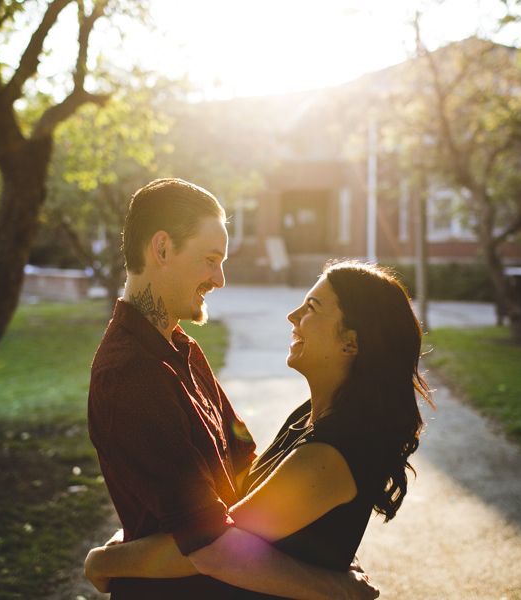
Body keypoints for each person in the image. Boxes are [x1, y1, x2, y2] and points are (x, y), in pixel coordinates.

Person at [86, 178, 380, 600]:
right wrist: (332, 586)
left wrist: (318, 547)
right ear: (163, 249)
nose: (219, 279)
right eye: (210, 259)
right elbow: (208, 546)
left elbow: (242, 467)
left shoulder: (179, 347)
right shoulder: (129, 375)